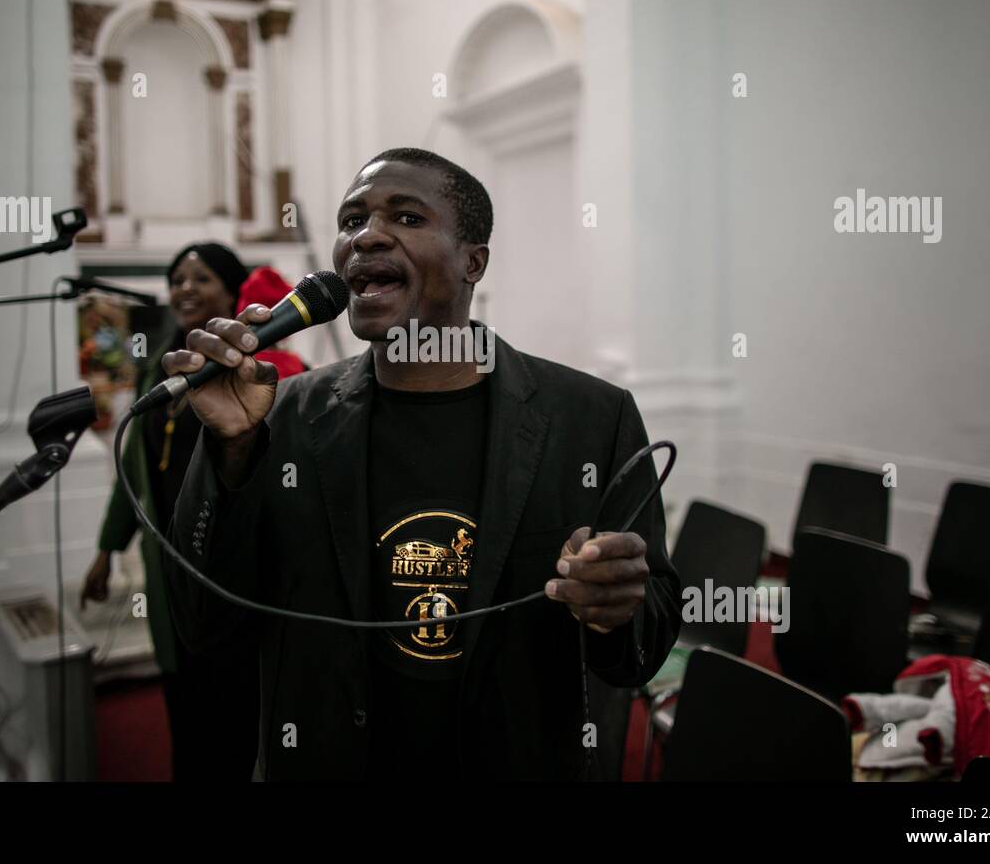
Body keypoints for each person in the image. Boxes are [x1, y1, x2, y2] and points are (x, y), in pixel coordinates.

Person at [162, 149, 682, 780]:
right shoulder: (282, 417)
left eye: (406, 218)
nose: (367, 235)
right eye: (351, 220)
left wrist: (615, 608)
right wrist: (229, 453)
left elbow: (642, 647)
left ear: (473, 261)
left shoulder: (593, 420)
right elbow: (205, 624)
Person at [83, 241, 263, 782]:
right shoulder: (156, 371)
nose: (185, 287)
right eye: (177, 277)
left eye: (201, 277)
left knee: (236, 707)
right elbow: (134, 474)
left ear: (232, 291)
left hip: (230, 571)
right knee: (183, 703)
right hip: (170, 571)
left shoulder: (252, 372)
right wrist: (106, 549)